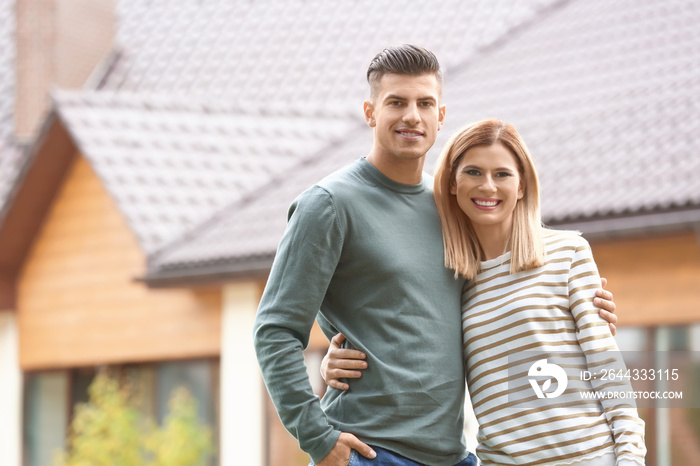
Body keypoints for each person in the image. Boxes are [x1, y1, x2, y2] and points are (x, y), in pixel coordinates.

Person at [253, 45, 617, 466]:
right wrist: (316, 435)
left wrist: (582, 307)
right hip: (373, 452)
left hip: (454, 455)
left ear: (440, 116)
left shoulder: (451, 204)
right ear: (370, 112)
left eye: (425, 103)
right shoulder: (329, 204)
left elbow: (496, 285)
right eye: (396, 102)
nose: (412, 116)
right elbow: (276, 328)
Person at [323, 119, 644, 465]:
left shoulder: (568, 253)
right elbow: (407, 341)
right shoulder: (450, 278)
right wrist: (333, 358)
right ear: (451, 185)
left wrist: (630, 456)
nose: (488, 186)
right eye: (474, 172)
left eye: (502, 174)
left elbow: (607, 368)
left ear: (522, 185)